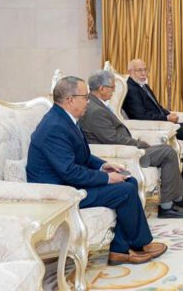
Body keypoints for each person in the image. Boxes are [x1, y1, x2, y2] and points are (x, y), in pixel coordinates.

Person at [26, 76, 167, 266]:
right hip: (60, 193)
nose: (88, 101)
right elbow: (69, 172)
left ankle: (122, 249)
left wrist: (103, 166)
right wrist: (106, 178)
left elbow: (83, 156)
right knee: (125, 190)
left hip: (69, 183)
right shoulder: (54, 127)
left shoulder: (66, 119)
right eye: (85, 97)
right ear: (70, 100)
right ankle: (130, 247)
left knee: (130, 181)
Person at [79, 70, 183, 219]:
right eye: (112, 87)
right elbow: (113, 139)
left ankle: (176, 199)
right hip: (125, 154)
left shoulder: (96, 104)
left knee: (167, 150)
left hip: (127, 149)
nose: (114, 91)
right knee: (168, 152)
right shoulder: (95, 111)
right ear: (102, 89)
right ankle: (167, 207)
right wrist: (140, 144)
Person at [122, 59, 183, 184]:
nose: (143, 73)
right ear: (130, 72)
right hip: (153, 127)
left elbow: (157, 106)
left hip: (162, 122)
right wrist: (166, 118)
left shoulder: (143, 86)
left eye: (145, 69)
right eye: (139, 70)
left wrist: (168, 114)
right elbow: (140, 115)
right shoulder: (131, 89)